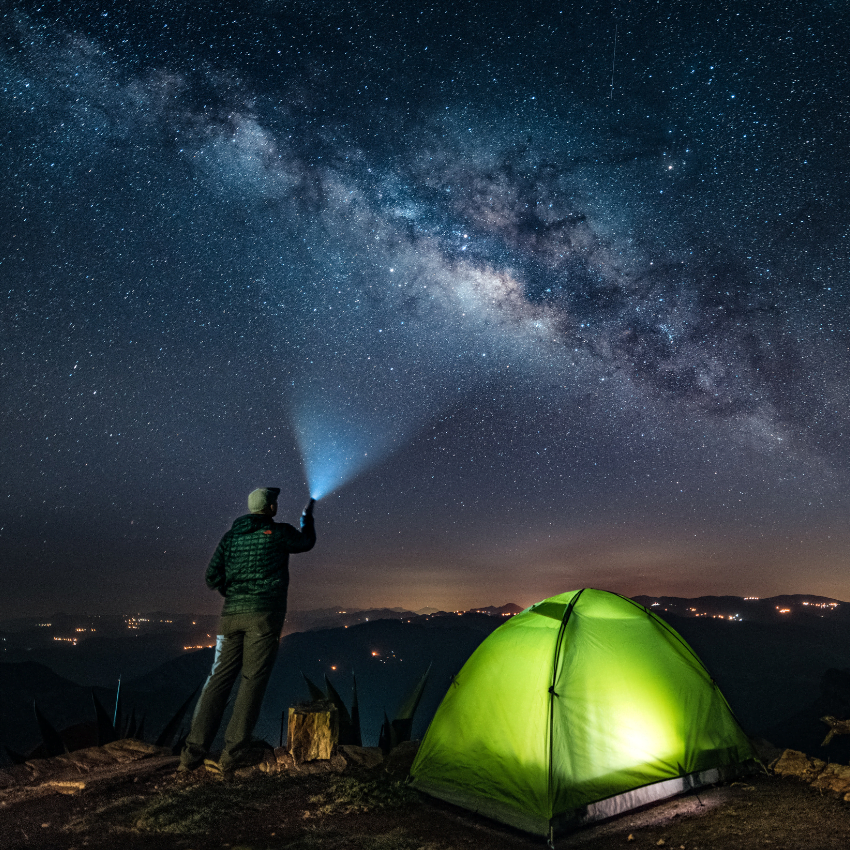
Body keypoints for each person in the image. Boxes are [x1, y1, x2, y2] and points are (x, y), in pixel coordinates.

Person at [178, 487, 316, 774]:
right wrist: (308, 519)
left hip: (230, 617)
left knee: (217, 680)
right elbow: (306, 543)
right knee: (252, 681)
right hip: (264, 616)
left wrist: (234, 591)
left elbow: (211, 577)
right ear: (271, 508)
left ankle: (191, 754)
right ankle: (233, 753)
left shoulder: (230, 538)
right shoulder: (278, 532)